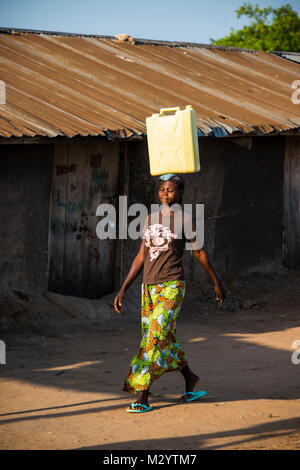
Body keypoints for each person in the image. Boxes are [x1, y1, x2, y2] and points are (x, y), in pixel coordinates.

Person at [114, 174, 226, 413]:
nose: (165, 194)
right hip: (149, 288)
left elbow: (199, 253)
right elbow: (141, 256)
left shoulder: (186, 220)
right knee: (166, 339)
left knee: (153, 339)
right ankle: (190, 378)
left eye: (171, 190)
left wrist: (217, 282)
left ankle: (142, 395)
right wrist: (124, 288)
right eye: (162, 189)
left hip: (172, 286)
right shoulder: (151, 218)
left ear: (181, 194)